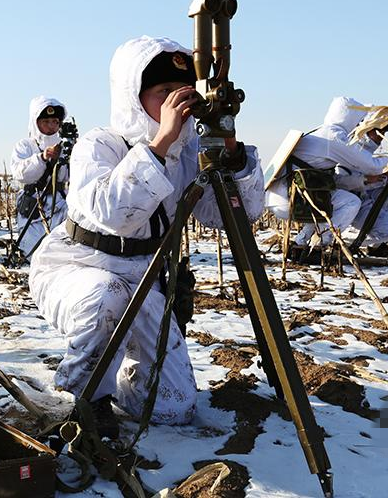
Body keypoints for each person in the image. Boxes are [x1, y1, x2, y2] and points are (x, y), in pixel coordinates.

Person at [29, 36, 265, 439]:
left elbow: (230, 215)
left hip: (143, 272)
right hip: (80, 266)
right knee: (106, 297)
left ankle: (116, 370)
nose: (177, 101)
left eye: (182, 90)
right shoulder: (100, 144)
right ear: (134, 97)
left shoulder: (188, 151)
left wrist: (233, 156)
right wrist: (160, 144)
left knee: (174, 407)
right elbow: (114, 214)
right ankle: (82, 399)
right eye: (163, 92)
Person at [266, 97, 388, 261]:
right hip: (292, 197)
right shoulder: (335, 138)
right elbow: (373, 165)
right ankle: (320, 246)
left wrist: (364, 180)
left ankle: (301, 243)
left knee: (328, 201)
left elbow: (332, 178)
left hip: (284, 195)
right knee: (350, 202)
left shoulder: (320, 132)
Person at [9, 96, 70, 259]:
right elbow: (20, 173)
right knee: (34, 252)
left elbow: (68, 176)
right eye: (46, 122)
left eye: (55, 122)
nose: (51, 126)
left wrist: (67, 158)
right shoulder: (25, 146)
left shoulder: (65, 146)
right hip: (34, 205)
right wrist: (42, 158)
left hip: (60, 203)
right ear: (36, 122)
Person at [335, 120, 388, 257]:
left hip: (361, 197)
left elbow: (374, 177)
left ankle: (377, 246)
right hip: (351, 204)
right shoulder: (350, 149)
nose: (381, 136)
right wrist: (367, 180)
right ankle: (346, 243)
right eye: (378, 131)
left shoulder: (365, 151)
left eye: (383, 132)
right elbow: (341, 181)